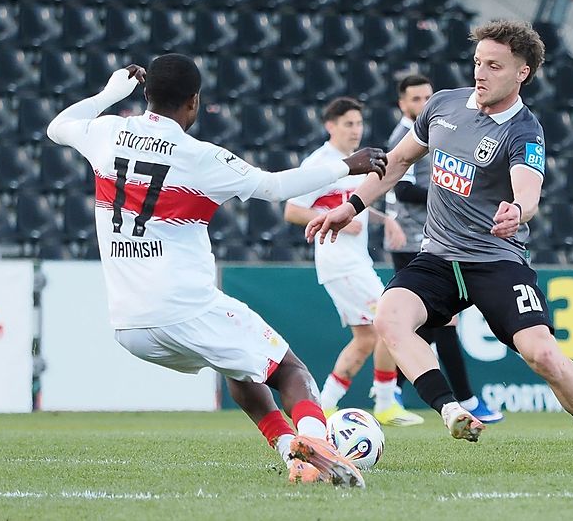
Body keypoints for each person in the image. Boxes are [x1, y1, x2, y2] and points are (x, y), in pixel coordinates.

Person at [307, 20, 573, 472]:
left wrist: (517, 211)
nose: (480, 72)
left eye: (494, 66)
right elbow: (396, 163)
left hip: (496, 260)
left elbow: (529, 192)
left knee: (543, 354)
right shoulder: (442, 106)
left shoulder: (524, 130)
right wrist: (352, 206)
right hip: (438, 257)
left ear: (522, 73)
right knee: (389, 317)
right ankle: (450, 410)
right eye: (478, 62)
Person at [46, 54, 388, 487]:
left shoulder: (107, 132)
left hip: (129, 325)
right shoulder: (200, 156)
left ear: (146, 93)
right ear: (194, 102)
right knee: (289, 369)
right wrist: (348, 165)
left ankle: (291, 450)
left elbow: (57, 126)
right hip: (184, 308)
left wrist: (111, 92)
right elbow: (274, 187)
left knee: (240, 366)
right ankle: (319, 444)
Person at [284, 97, 424, 427]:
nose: (355, 130)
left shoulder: (356, 162)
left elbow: (353, 203)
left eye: (359, 123)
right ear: (330, 126)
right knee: (391, 320)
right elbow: (292, 210)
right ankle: (386, 402)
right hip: (340, 262)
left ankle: (324, 404)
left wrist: (384, 220)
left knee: (366, 339)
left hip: (355, 261)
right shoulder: (320, 163)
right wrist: (335, 219)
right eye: (348, 124)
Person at [386, 74, 503, 424]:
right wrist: (451, 194)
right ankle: (463, 398)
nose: (424, 104)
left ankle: (392, 392)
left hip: (435, 237)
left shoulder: (438, 128)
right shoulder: (403, 136)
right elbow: (403, 190)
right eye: (416, 99)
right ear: (402, 104)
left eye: (427, 97)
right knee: (441, 319)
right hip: (413, 238)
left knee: (430, 322)